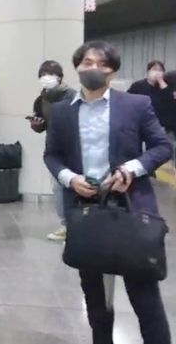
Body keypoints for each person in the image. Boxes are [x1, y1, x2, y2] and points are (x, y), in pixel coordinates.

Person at [44, 41, 173, 344]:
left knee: (145, 296)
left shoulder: (135, 105)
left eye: (101, 64)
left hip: (132, 208)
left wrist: (132, 169)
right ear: (77, 67)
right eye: (87, 62)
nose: (93, 68)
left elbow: (162, 146)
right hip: (86, 210)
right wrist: (70, 178)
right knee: (96, 298)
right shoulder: (62, 112)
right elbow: (52, 155)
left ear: (112, 72)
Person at [28, 60, 77, 240]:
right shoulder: (41, 100)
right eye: (42, 75)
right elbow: (42, 124)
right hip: (54, 149)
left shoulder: (72, 96)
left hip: (74, 147)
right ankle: (65, 225)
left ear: (60, 77)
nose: (45, 78)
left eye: (49, 74)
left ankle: (77, 226)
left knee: (75, 187)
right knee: (58, 188)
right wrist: (36, 125)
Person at [128, 61, 176, 141]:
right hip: (143, 126)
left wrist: (161, 82)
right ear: (148, 72)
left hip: (163, 127)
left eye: (160, 70)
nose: (157, 73)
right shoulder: (138, 86)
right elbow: (128, 100)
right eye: (154, 69)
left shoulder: (165, 86)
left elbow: (170, 99)